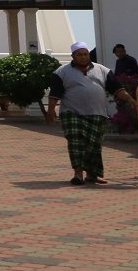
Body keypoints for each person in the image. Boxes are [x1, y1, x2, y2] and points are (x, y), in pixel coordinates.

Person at [45, 41, 132, 185]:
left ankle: (93, 174)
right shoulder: (61, 72)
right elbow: (55, 94)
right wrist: (51, 110)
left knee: (94, 145)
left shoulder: (102, 70)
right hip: (71, 113)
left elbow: (117, 89)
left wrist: (131, 100)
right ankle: (78, 173)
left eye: (86, 54)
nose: (83, 57)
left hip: (97, 113)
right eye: (79, 55)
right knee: (76, 142)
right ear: (73, 56)